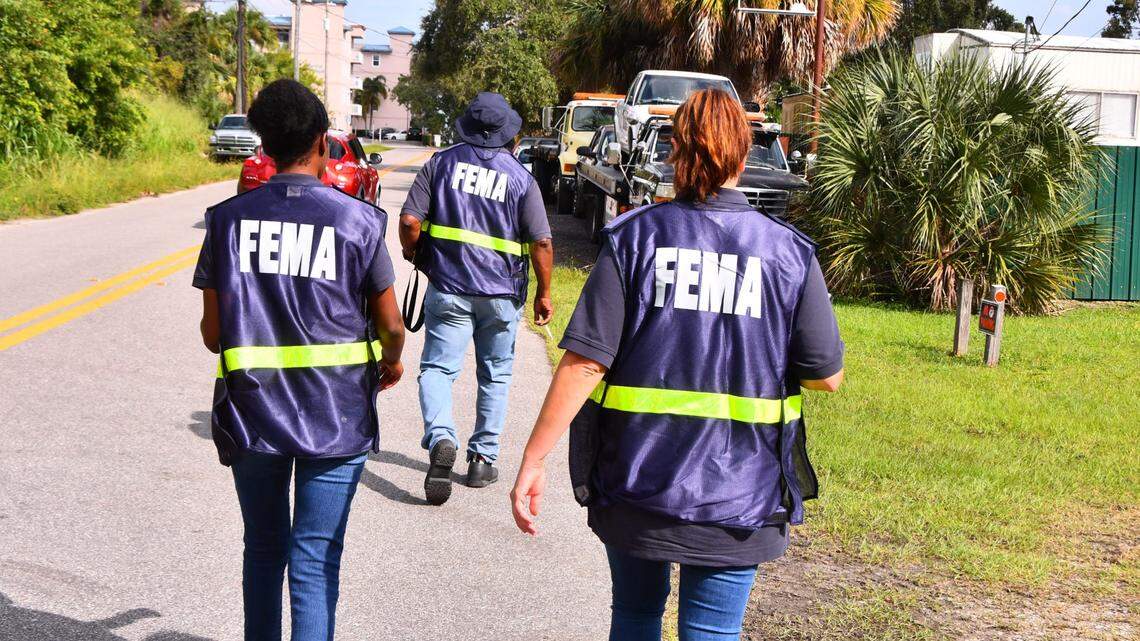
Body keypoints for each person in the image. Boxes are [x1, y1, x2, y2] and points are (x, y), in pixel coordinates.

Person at [509, 89, 845, 641]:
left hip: (639, 480)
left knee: (636, 617)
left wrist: (534, 457)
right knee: (712, 631)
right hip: (743, 491)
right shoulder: (788, 253)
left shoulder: (634, 239)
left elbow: (586, 363)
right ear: (743, 155)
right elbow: (825, 375)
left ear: (675, 151)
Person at [194, 79, 405, 641]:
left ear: (262, 142)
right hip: (335, 415)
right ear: (320, 141)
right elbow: (391, 324)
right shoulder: (358, 221)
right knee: (313, 560)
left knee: (263, 550)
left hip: (253, 414)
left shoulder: (226, 220)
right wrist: (390, 361)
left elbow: (215, 336)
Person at [399, 92, 554, 506]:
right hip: (502, 295)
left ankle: (442, 437)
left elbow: (410, 220)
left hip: (449, 287)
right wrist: (544, 293)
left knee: (437, 369)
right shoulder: (522, 179)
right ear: (510, 135)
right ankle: (483, 459)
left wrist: (415, 253)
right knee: (496, 375)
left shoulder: (440, 163)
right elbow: (541, 241)